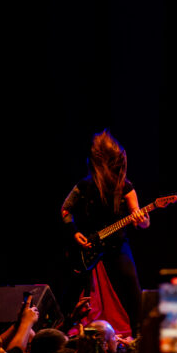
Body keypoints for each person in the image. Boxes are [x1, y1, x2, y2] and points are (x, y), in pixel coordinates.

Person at [61, 130, 149, 335]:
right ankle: (62, 328)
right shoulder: (84, 186)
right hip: (88, 244)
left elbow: (140, 219)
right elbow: (65, 209)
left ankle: (138, 333)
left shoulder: (125, 187)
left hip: (117, 244)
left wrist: (142, 220)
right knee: (73, 289)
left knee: (132, 287)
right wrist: (74, 233)